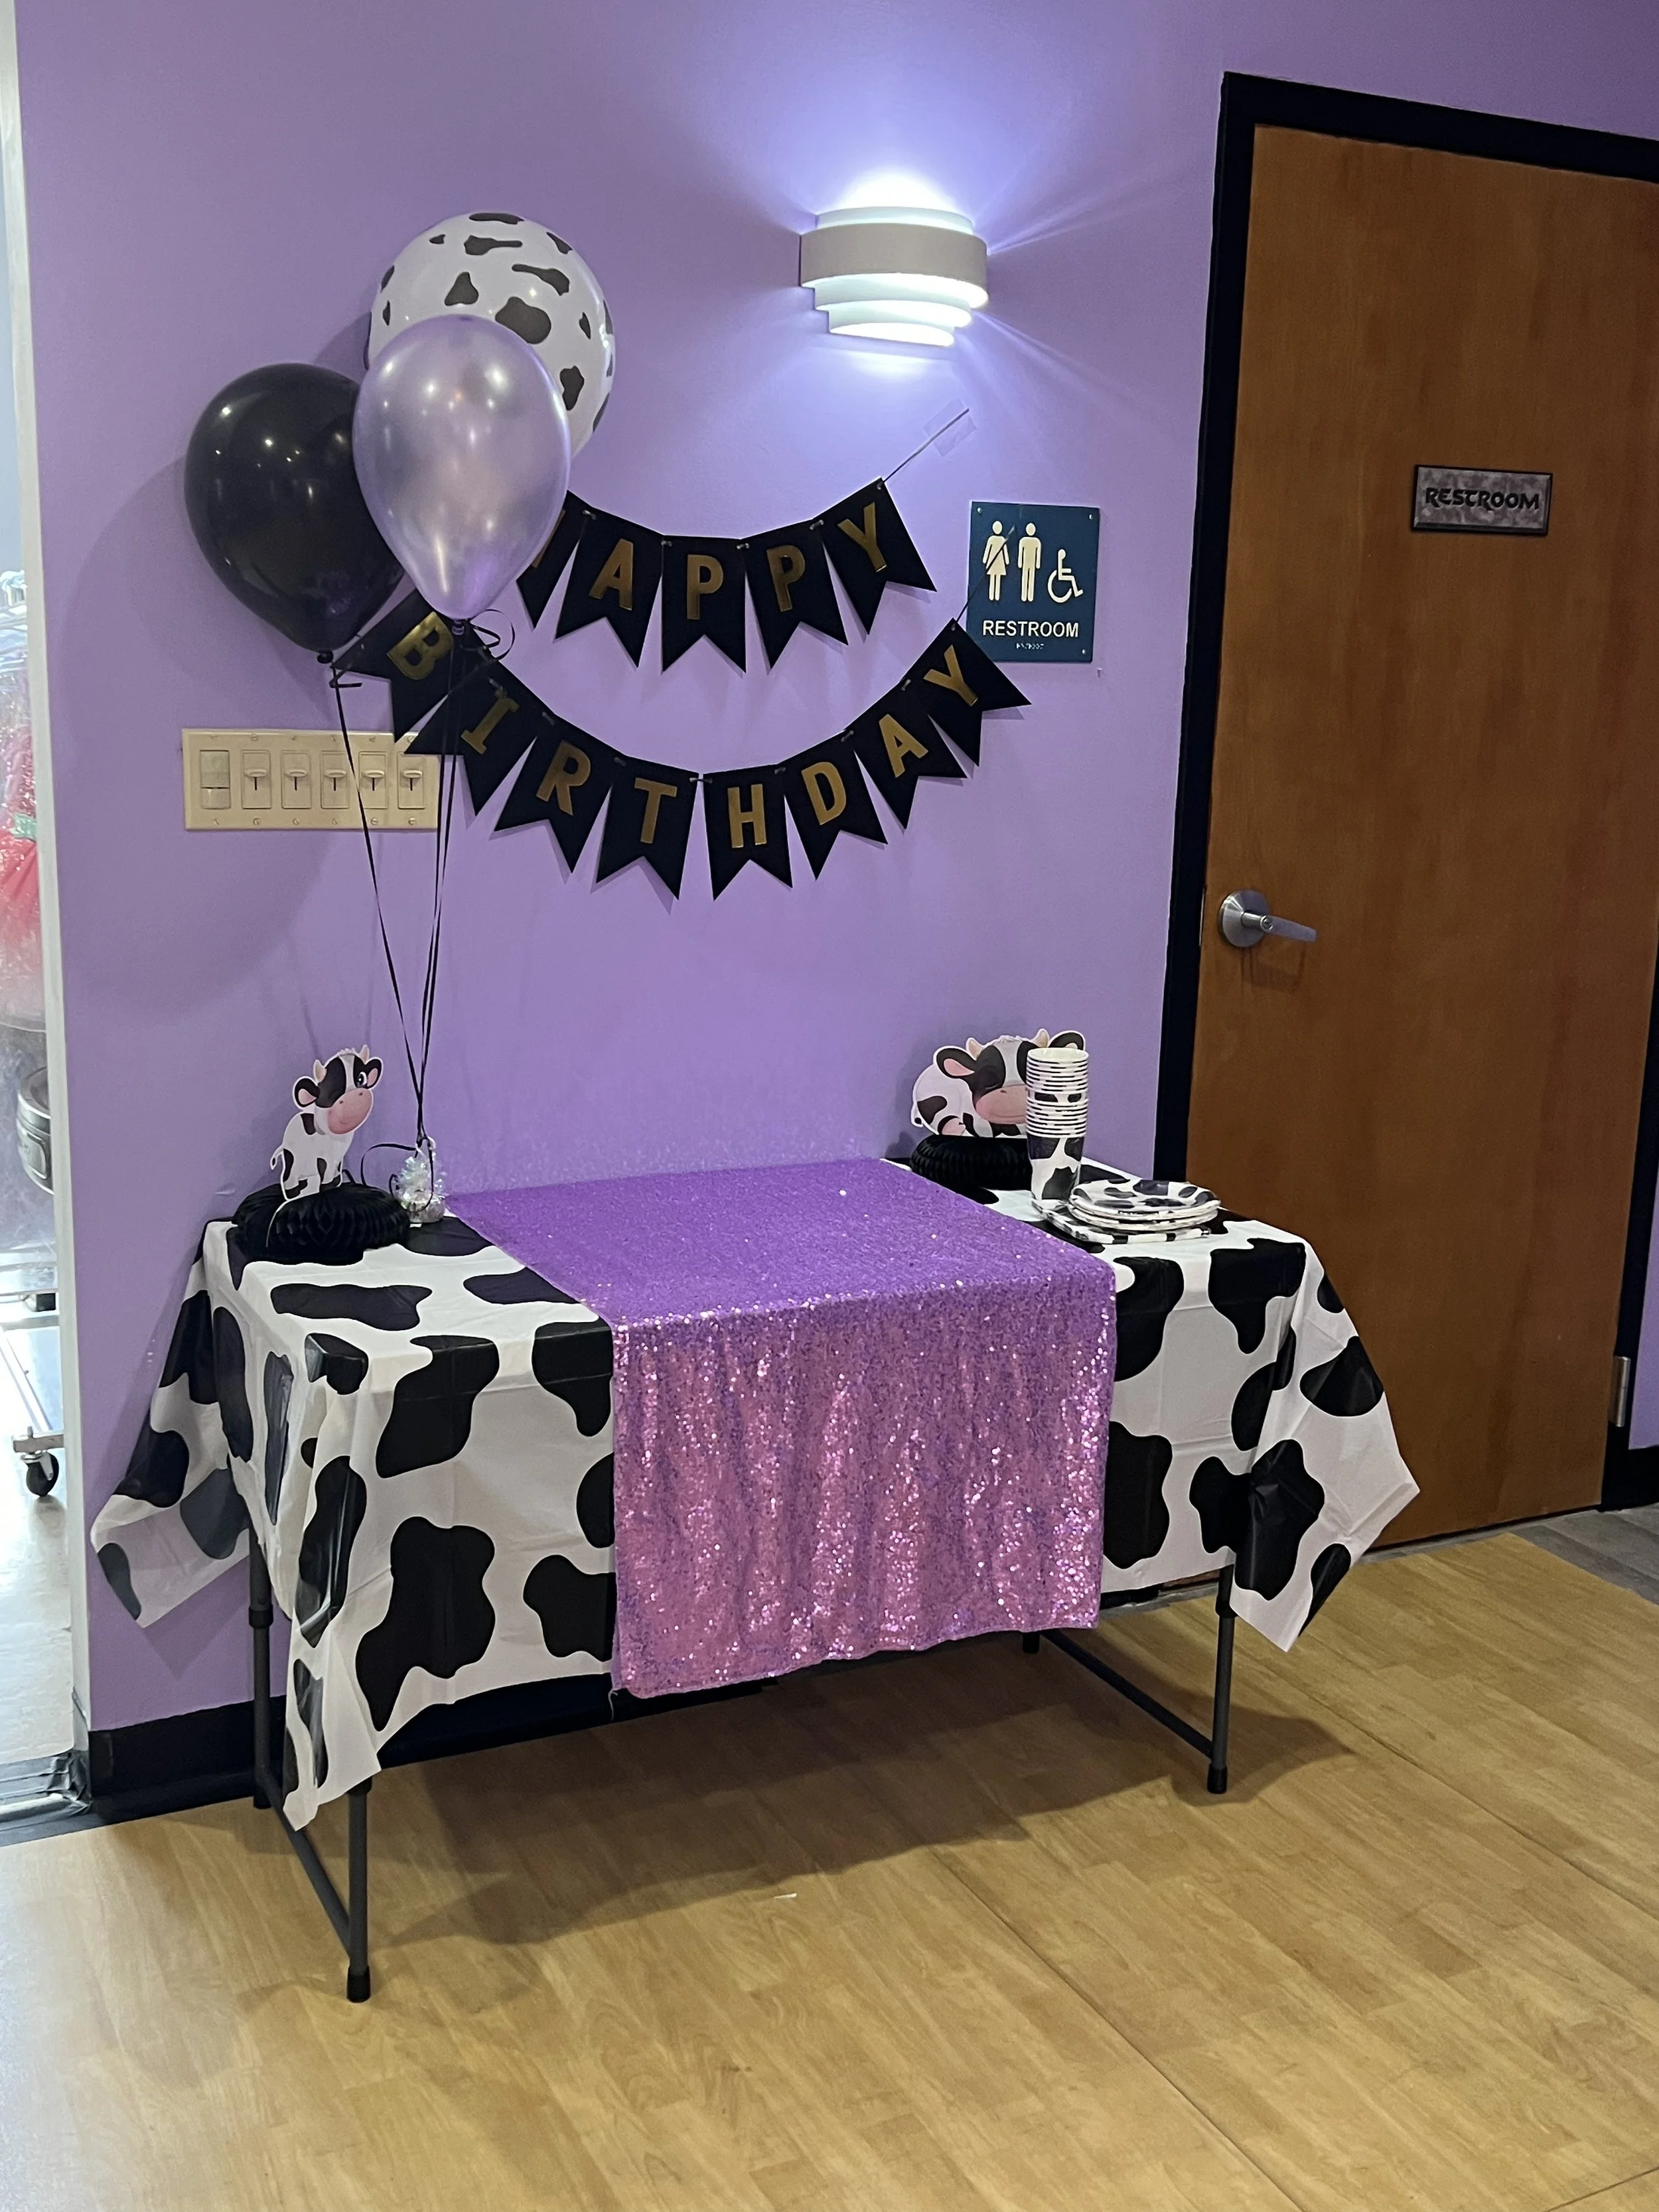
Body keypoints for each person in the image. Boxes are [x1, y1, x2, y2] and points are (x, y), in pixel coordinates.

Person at [981, 519, 1010, 601]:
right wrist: (1007, 561)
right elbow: (988, 550)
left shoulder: (996, 539)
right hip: (998, 562)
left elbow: (1004, 551)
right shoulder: (998, 539)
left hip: (995, 562)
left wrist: (985, 559)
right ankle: (994, 596)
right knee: (995, 578)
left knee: (995, 578)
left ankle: (994, 595)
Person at [1017, 521, 1043, 601]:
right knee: (1027, 578)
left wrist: (1038, 564)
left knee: (1030, 578)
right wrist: (1020, 563)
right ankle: (1025, 596)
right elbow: (1021, 553)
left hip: (1030, 563)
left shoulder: (1036, 542)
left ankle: (1029, 596)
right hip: (1028, 563)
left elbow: (1038, 554)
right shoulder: (1025, 541)